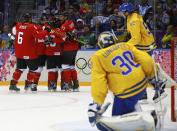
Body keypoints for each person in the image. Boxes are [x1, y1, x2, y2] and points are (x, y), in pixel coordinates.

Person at [87, 32, 165, 131]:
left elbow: (98, 81)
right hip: (142, 85)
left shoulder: (98, 56)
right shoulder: (125, 45)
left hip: (125, 92)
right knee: (131, 104)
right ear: (114, 39)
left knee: (117, 122)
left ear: (100, 44)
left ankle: (147, 123)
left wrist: (97, 103)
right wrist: (153, 77)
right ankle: (142, 116)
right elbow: (146, 59)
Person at [119, 3, 159, 100]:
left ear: (127, 11)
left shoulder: (133, 20)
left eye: (122, 11)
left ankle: (158, 90)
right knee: (140, 70)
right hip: (144, 45)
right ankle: (144, 93)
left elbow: (136, 38)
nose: (120, 13)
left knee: (145, 69)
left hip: (145, 46)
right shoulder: (132, 17)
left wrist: (125, 46)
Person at [9, 13, 47, 92]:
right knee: (33, 69)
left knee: (20, 68)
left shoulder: (18, 25)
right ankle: (28, 85)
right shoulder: (31, 27)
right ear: (30, 19)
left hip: (19, 52)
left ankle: (13, 85)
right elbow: (39, 36)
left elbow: (13, 32)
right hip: (29, 52)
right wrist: (45, 31)